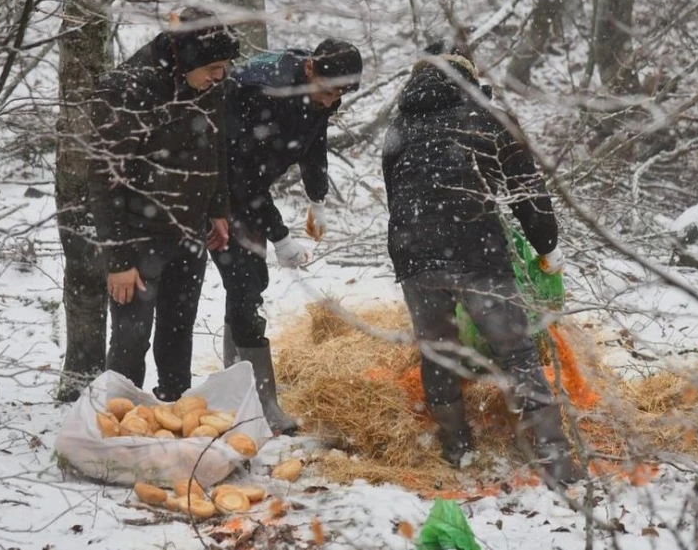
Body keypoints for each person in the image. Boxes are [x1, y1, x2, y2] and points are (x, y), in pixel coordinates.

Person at [381, 42, 583, 487]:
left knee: (438, 351)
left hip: (413, 251)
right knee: (517, 353)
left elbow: (397, 197)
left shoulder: (398, 130)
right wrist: (547, 246)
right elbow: (528, 191)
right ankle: (555, 462)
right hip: (475, 250)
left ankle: (457, 449)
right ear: (469, 80)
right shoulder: (489, 119)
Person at [89, 7, 240, 402]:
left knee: (178, 331)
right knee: (130, 341)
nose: (220, 76)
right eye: (213, 67)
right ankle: (118, 421)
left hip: (190, 228)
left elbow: (216, 144)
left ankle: (174, 408)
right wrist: (118, 260)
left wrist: (218, 207)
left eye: (224, 67)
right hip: (138, 233)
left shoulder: (209, 83)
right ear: (186, 58)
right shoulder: (127, 89)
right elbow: (104, 181)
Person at [213, 38, 364, 434]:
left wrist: (318, 198)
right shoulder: (260, 90)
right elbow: (242, 176)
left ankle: (238, 385)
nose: (331, 103)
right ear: (311, 69)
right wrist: (280, 235)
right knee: (245, 282)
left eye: (339, 97)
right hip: (215, 186)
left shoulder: (318, 94)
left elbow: (314, 142)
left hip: (249, 188)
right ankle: (261, 404)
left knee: (248, 284)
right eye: (328, 93)